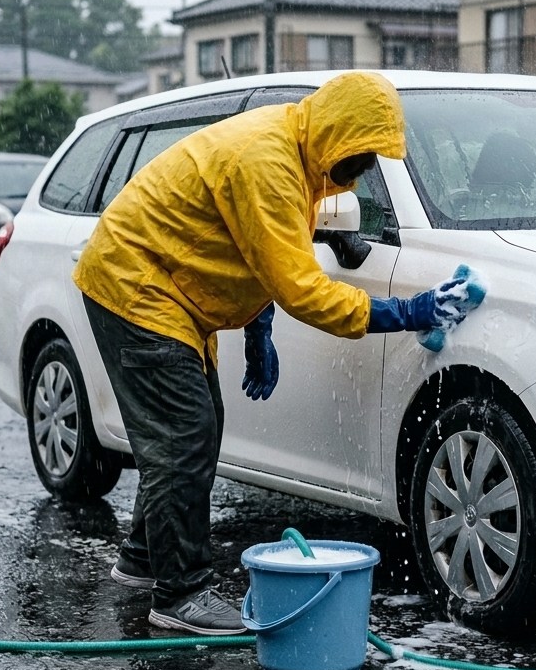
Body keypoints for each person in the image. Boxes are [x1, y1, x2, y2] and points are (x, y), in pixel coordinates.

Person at [73, 71, 477, 636]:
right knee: (183, 435)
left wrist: (258, 328)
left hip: (174, 289)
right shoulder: (269, 163)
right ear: (335, 134)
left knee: (193, 430)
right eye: (358, 158)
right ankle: (180, 594)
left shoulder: (299, 153)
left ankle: (145, 558)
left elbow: (255, 248)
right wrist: (407, 313)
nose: (359, 174)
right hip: (138, 286)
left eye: (370, 162)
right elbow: (302, 290)